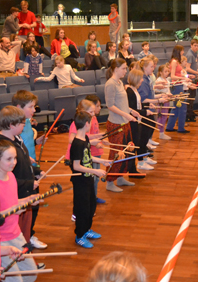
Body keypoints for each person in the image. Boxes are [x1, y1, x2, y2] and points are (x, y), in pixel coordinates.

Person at [0, 106, 46, 247]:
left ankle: (26, 246)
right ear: (11, 125)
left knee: (27, 224)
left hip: (26, 188)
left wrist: (36, 170)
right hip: (17, 193)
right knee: (17, 229)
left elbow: (23, 161)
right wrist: (28, 183)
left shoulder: (16, 138)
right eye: (22, 123)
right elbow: (7, 176)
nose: (24, 125)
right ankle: (21, 253)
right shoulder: (0, 146)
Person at [0, 140, 39, 282]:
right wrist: (14, 209)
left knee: (31, 273)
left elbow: (14, 203)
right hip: (0, 240)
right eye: (9, 159)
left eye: (15, 158)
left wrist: (28, 199)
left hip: (16, 234)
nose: (14, 162)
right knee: (15, 280)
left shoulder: (11, 177)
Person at [70, 110, 109, 248]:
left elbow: (86, 158)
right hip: (80, 181)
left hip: (88, 179)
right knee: (82, 209)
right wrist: (95, 171)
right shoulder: (76, 144)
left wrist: (103, 161)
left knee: (91, 206)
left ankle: (87, 229)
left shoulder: (85, 139)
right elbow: (76, 165)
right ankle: (79, 235)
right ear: (87, 124)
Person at [65, 99, 107, 213]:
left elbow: (87, 136)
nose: (93, 115)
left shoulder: (84, 131)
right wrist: (89, 142)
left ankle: (90, 201)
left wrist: (98, 136)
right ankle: (78, 212)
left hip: (82, 155)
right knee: (81, 187)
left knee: (88, 183)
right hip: (75, 156)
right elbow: (71, 139)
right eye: (91, 112)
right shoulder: (77, 126)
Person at [105, 58, 140, 192]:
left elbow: (122, 103)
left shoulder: (120, 82)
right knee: (116, 152)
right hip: (115, 124)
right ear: (115, 69)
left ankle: (120, 177)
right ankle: (109, 181)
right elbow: (110, 105)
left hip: (124, 122)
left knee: (126, 150)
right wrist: (126, 115)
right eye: (123, 68)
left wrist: (131, 111)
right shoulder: (110, 84)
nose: (126, 71)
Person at [136, 57, 168, 168]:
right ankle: (141, 161)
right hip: (145, 110)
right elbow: (143, 99)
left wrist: (159, 96)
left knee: (148, 133)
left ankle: (145, 157)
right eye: (151, 66)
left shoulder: (148, 78)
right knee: (144, 136)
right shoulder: (143, 80)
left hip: (150, 109)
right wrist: (158, 100)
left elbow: (150, 95)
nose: (153, 67)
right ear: (144, 67)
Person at [126, 68, 154, 171]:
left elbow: (138, 105)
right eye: (140, 78)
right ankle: (133, 168)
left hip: (137, 121)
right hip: (133, 122)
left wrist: (146, 105)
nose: (142, 80)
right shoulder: (129, 91)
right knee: (135, 143)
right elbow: (132, 108)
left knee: (139, 141)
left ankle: (139, 162)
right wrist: (145, 112)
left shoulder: (134, 90)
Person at [166, 45, 191, 133]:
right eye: (182, 51)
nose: (183, 52)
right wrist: (184, 79)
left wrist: (186, 77)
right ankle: (181, 128)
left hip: (179, 84)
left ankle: (170, 126)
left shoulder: (177, 61)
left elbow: (179, 74)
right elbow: (172, 76)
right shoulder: (174, 62)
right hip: (177, 86)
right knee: (182, 106)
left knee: (176, 107)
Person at [154, 64, 173, 140]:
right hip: (161, 101)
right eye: (165, 71)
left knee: (165, 116)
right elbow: (156, 91)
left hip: (166, 100)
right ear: (161, 72)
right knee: (161, 116)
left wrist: (169, 94)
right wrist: (165, 94)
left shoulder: (167, 80)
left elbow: (167, 90)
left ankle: (162, 132)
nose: (167, 73)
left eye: (168, 71)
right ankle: (161, 132)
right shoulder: (158, 80)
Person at [184, 39, 198, 121]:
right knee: (190, 97)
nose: (196, 47)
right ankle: (188, 114)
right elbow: (187, 68)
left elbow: (194, 66)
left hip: (194, 77)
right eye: (195, 46)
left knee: (193, 96)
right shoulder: (190, 55)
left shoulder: (195, 54)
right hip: (190, 79)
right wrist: (197, 73)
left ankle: (191, 112)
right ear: (191, 45)